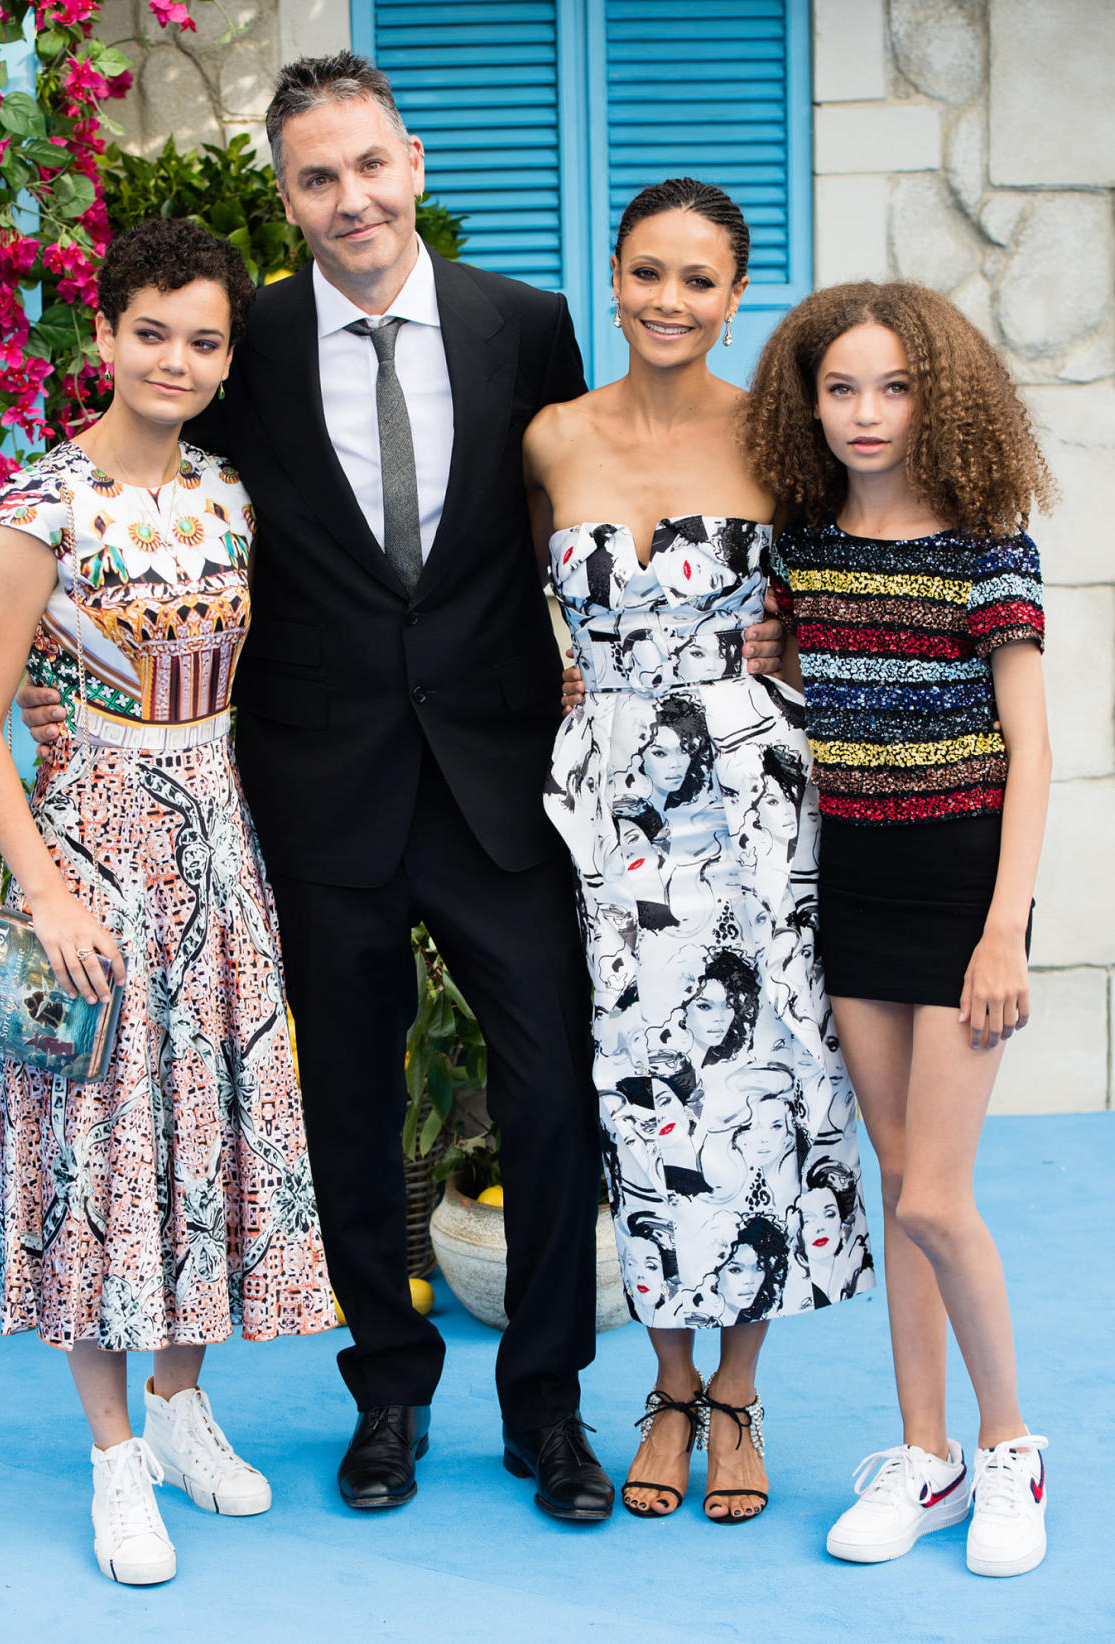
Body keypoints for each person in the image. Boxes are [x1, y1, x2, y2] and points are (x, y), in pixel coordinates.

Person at [16, 49, 784, 1522]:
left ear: (414, 164)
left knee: (550, 1097)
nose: (350, 198)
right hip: (321, 792)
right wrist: (70, 676)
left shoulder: (528, 326)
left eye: (369, 166)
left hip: (502, 781)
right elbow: (170, 529)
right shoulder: (247, 345)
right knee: (348, 1114)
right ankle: (387, 1391)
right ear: (288, 196)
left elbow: (593, 503)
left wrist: (764, 617)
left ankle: (547, 1405)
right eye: (316, 177)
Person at [0, 219, 334, 1586]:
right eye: (151, 330)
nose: (175, 357)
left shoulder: (232, 499)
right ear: (103, 338)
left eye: (204, 338)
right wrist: (49, 894)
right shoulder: (36, 509)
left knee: (215, 1135)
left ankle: (179, 1405)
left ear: (228, 361)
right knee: (98, 1158)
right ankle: (113, 1456)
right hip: (93, 865)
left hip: (220, 856)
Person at [524, 179, 873, 1525]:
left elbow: (843, 593)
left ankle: (735, 1394)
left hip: (755, 797)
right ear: (612, 278)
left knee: (764, 1076)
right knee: (635, 1085)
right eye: (647, 274)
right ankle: (664, 1388)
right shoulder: (548, 438)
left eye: (699, 280)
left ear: (737, 297)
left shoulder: (783, 442)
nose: (670, 301)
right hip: (610, 803)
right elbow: (501, 606)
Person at [744, 280, 1053, 1577]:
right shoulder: (804, 543)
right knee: (893, 1174)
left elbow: (1029, 748)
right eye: (840, 389)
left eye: (892, 387)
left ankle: (1007, 1449)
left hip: (963, 880)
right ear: (807, 403)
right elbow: (849, 687)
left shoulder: (986, 543)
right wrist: (782, 660)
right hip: (855, 874)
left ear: (937, 395)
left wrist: (1002, 935)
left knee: (936, 1194)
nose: (865, 414)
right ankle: (920, 1452)